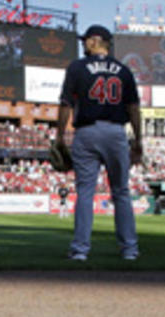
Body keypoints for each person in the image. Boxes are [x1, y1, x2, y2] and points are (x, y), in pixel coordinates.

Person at [54, 24, 142, 261]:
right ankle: (130, 250)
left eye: (85, 40)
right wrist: (138, 140)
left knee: (85, 192)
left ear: (95, 41)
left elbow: (66, 105)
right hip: (115, 132)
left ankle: (80, 250)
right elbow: (133, 108)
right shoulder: (124, 70)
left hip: (87, 132)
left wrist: (60, 136)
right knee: (121, 192)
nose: (83, 44)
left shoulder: (77, 67)